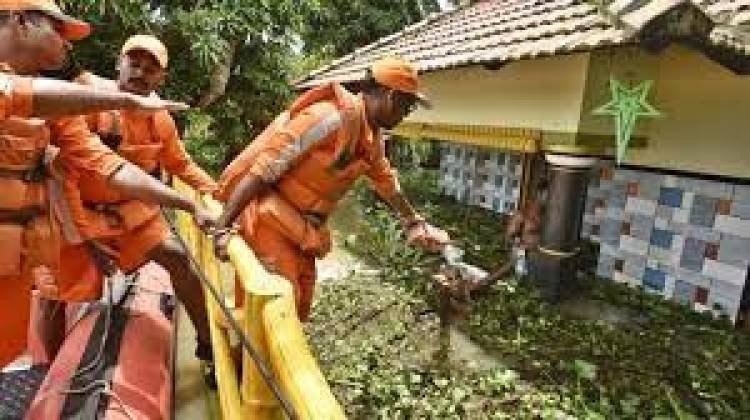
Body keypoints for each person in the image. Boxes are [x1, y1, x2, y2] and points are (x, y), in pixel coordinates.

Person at [0, 0, 213, 368]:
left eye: (151, 69)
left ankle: (208, 344)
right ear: (21, 22)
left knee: (178, 259)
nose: (67, 44)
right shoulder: (72, 98)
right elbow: (21, 103)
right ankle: (45, 370)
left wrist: (197, 201)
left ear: (161, 78)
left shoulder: (147, 117)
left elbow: (109, 165)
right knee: (53, 293)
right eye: (59, 31)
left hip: (116, 217)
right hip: (74, 217)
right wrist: (86, 237)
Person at [213, 57, 451, 321]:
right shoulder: (327, 118)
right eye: (407, 105)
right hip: (270, 223)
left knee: (299, 309)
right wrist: (222, 226)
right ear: (391, 96)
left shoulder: (371, 140)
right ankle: (238, 358)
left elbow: (386, 183)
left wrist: (413, 222)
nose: (408, 113)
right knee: (275, 310)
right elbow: (263, 169)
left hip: (304, 231)